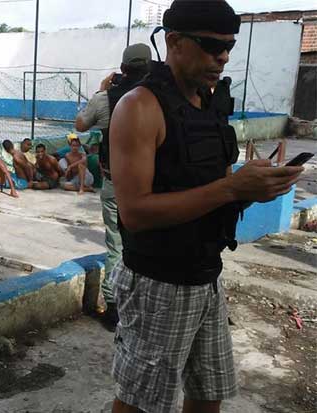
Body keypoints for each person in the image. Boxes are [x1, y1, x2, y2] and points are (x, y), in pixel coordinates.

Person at [108, 2, 304, 413]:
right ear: (175, 42)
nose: (223, 57)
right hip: (157, 282)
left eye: (229, 47)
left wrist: (254, 186)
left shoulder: (209, 103)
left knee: (207, 390)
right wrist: (232, 188)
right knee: (142, 403)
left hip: (205, 274)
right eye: (212, 46)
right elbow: (135, 212)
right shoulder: (139, 108)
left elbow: (208, 188)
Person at [75, 43, 152, 330]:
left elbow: (81, 124)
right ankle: (143, 304)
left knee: (115, 245)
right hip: (153, 184)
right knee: (146, 243)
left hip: (116, 182)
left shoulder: (107, 98)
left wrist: (100, 90)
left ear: (122, 69)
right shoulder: (159, 96)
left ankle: (113, 307)